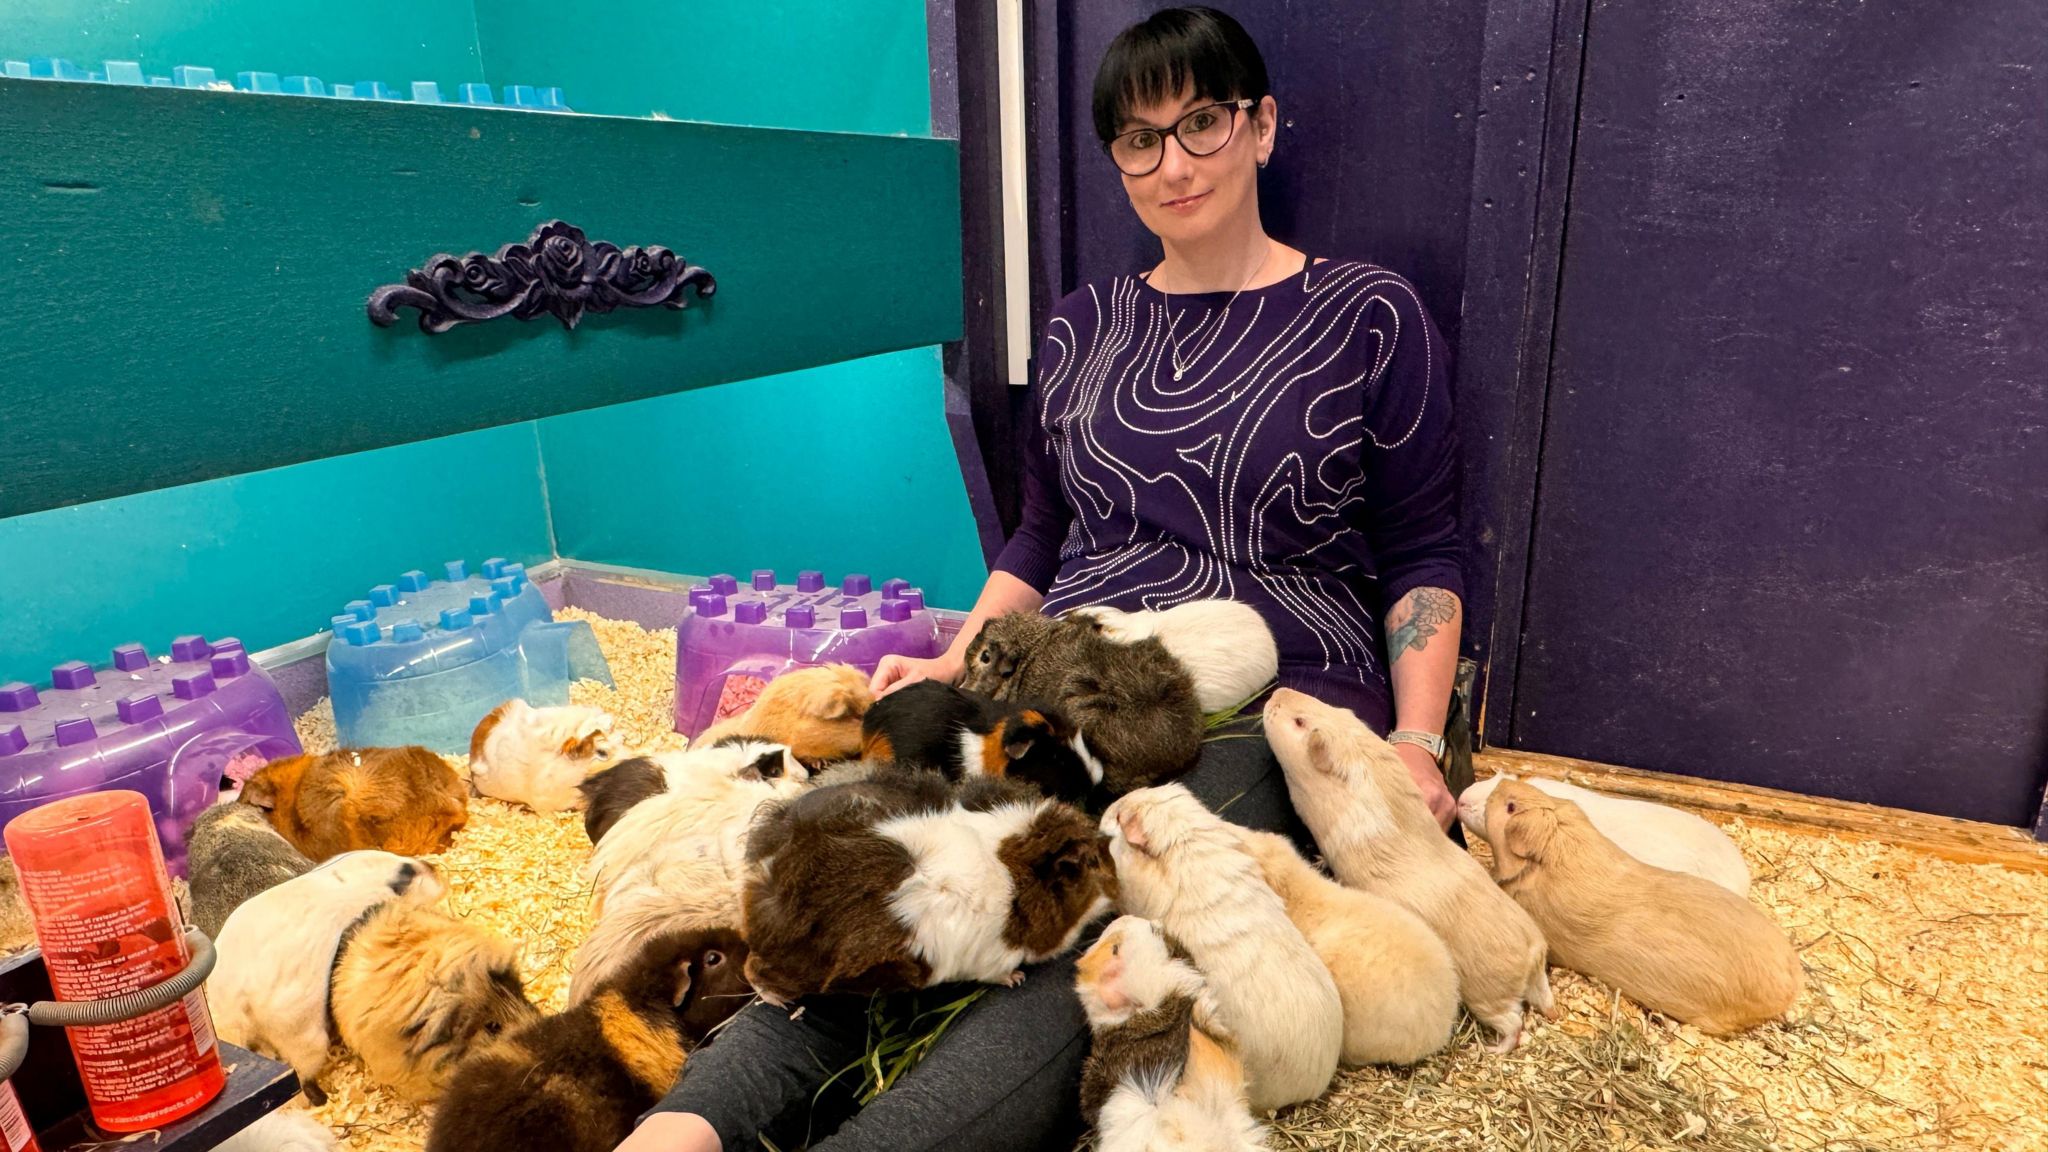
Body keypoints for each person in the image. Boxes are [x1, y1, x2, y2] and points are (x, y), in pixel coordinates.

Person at [618, 8, 1464, 1150]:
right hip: (1061, 674)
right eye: (1136, 139)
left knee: (1091, 906)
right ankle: (687, 1130)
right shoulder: (1083, 326)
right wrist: (959, 653)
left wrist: (1412, 742)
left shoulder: (1367, 315)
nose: (1171, 163)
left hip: (1265, 701)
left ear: (1260, 127)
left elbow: (1422, 551)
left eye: (1200, 123)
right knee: (899, 865)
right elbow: (1040, 535)